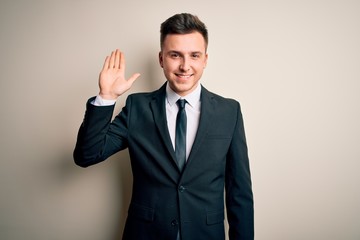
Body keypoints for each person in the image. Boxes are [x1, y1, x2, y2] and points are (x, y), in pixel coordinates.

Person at [74, 13, 254, 240]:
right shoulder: (137, 107)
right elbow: (87, 155)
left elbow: (240, 193)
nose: (184, 66)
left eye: (194, 55)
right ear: (161, 59)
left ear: (205, 59)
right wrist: (106, 97)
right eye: (175, 55)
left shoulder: (230, 112)